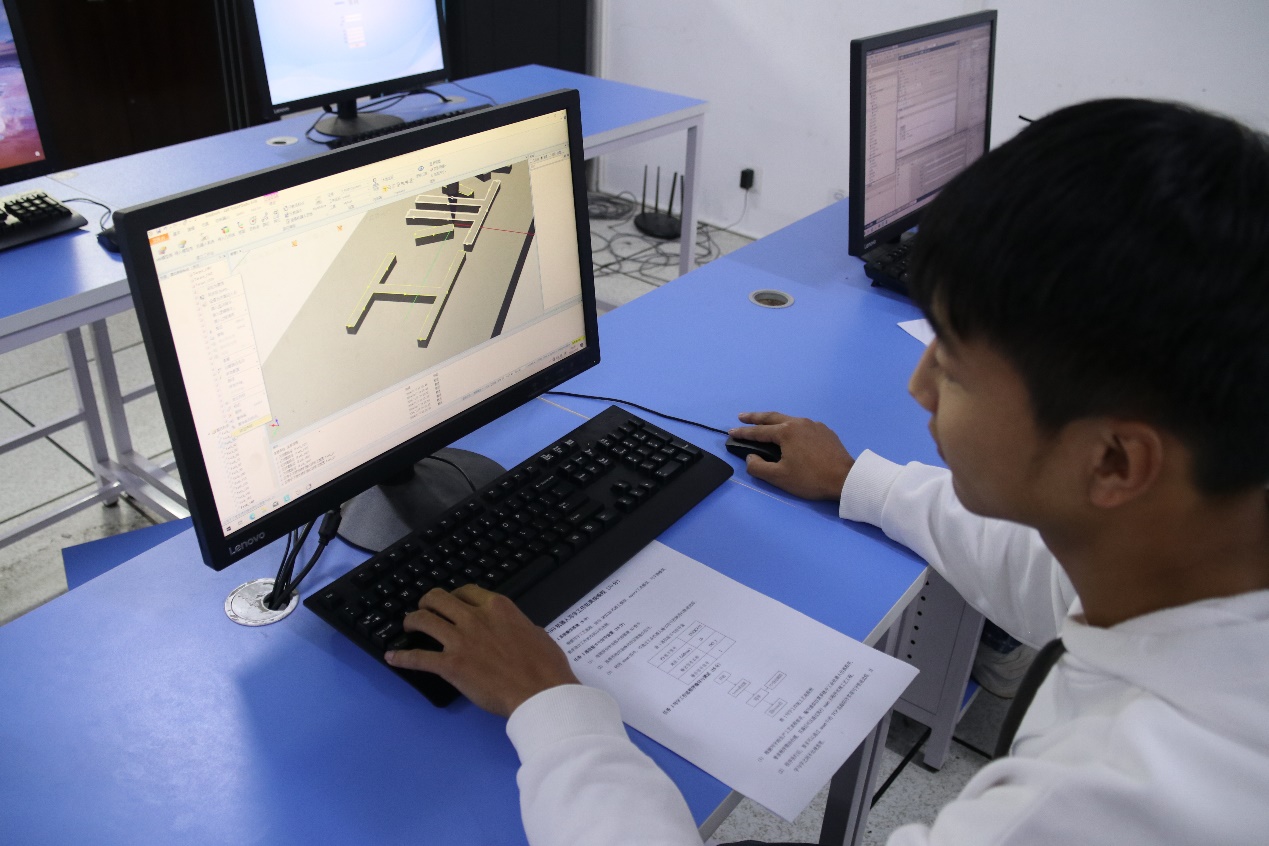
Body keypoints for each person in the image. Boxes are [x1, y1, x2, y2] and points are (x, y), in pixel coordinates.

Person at [385, 98, 1269, 844]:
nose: (919, 385)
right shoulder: (1205, 556)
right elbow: (1052, 575)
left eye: (954, 368)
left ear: (1112, 460)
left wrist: (551, 709)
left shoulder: (1098, 807)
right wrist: (860, 481)